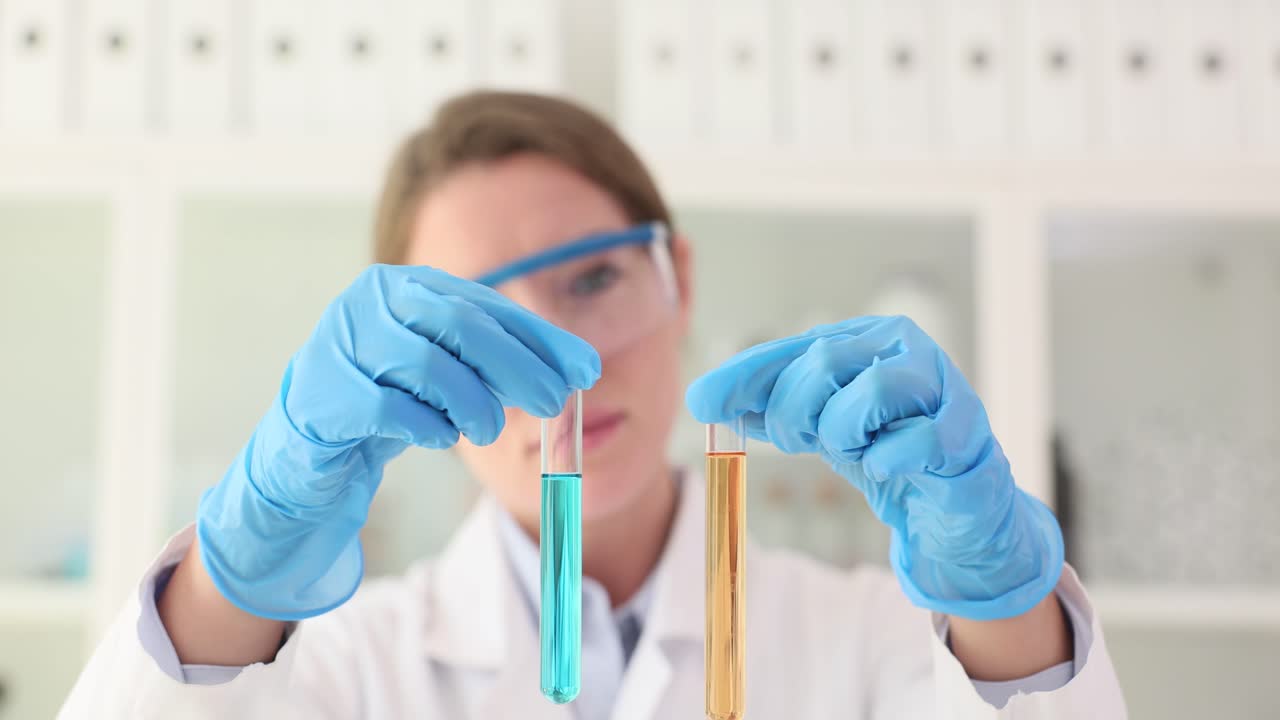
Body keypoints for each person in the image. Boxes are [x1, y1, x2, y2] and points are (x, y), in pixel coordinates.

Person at [60, 91, 1125, 719]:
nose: (566, 368)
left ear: (678, 279)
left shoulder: (871, 640)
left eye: (594, 280)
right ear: (398, 371)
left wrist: (999, 599)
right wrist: (234, 577)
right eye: (475, 326)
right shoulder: (345, 667)